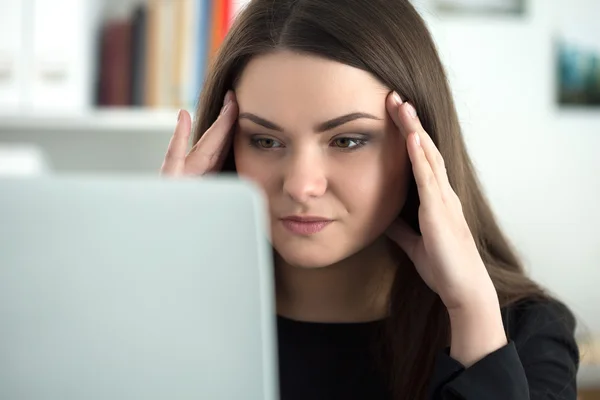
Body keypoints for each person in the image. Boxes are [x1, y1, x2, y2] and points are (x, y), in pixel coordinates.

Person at [160, 0, 580, 398]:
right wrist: (157, 273)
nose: (301, 186)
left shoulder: (526, 336)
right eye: (266, 140)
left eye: (346, 140)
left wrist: (471, 316)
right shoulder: (173, 314)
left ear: (420, 145)